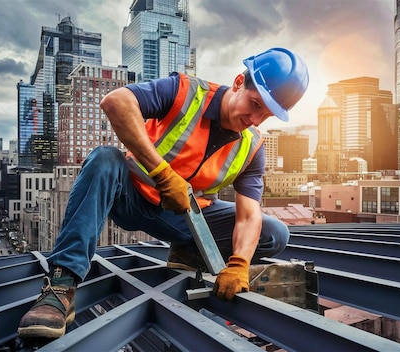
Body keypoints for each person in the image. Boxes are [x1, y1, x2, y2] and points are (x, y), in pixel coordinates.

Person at [17, 47, 309, 339]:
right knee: (105, 159)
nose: (255, 119)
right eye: (255, 104)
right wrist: (164, 175)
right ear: (237, 83)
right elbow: (116, 101)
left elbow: (248, 217)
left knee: (274, 233)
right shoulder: (185, 92)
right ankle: (61, 285)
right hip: (130, 197)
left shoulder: (253, 147)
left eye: (266, 115)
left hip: (183, 221)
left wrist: (239, 264)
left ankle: (187, 251)